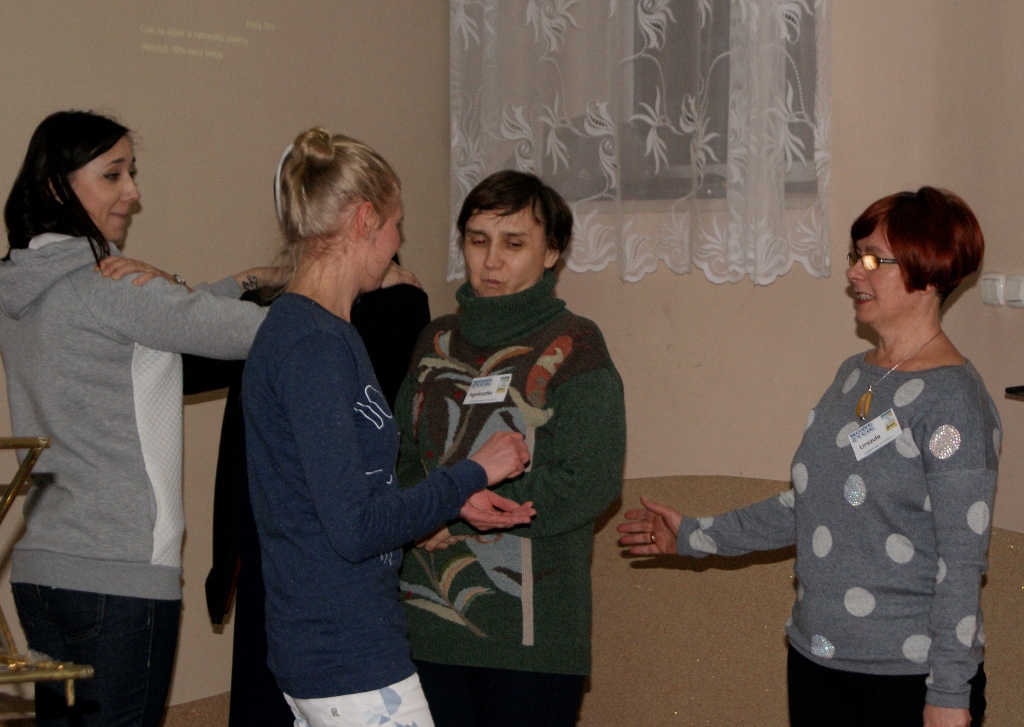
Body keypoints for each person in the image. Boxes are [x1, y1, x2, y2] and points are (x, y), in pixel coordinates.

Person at [618, 187, 996, 727]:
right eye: (855, 256)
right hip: (818, 662)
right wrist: (695, 535)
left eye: (873, 260)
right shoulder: (854, 376)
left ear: (929, 273)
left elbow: (961, 564)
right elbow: (812, 506)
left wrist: (950, 694)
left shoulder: (953, 401)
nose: (854, 273)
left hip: (907, 679)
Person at [241, 129, 535, 727]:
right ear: (364, 220)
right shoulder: (311, 346)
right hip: (344, 654)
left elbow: (342, 502)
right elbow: (354, 529)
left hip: (342, 645)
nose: (399, 242)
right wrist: (474, 472)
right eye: (396, 224)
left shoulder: (325, 333)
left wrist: (447, 506)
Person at [0, 110, 276, 727]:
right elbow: (262, 334)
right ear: (57, 187)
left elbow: (173, 313)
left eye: (132, 173)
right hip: (119, 576)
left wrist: (253, 277)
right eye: (113, 174)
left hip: (43, 570)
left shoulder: (19, 288)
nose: (133, 192)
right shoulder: (110, 289)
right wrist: (337, 285)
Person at [394, 170, 626, 727]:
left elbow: (588, 481)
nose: (491, 260)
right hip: (422, 627)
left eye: (513, 243)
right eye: (478, 240)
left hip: (531, 638)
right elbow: (400, 460)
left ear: (552, 252)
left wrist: (453, 508)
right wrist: (427, 507)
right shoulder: (434, 340)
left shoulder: (577, 344)